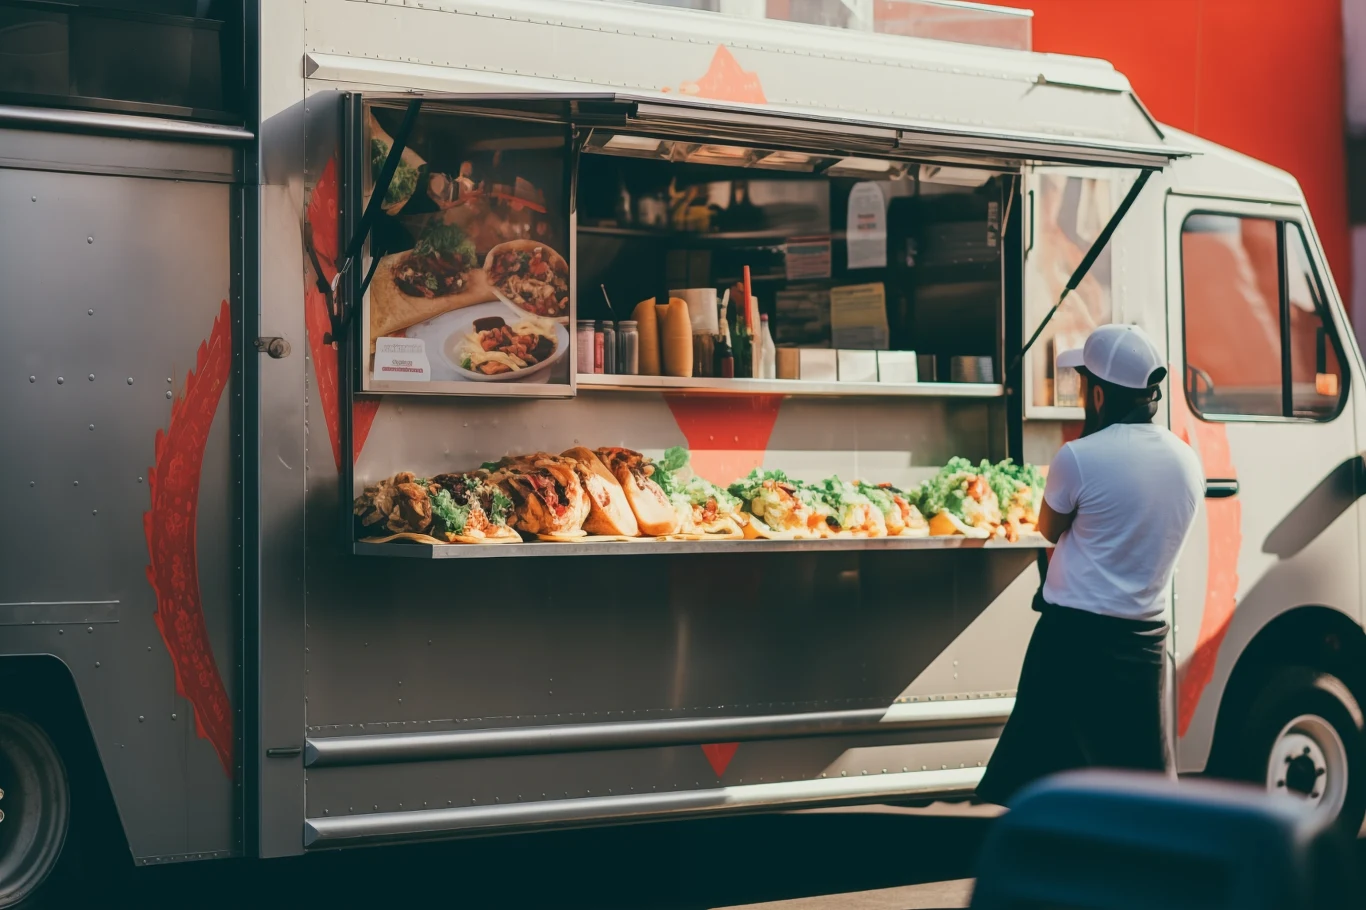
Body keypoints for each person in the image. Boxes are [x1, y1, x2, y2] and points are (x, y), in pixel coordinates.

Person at [976, 323, 1205, 807]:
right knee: (1140, 787)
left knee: (1052, 786)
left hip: (1073, 644)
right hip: (1145, 642)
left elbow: (1047, 527)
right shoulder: (1187, 460)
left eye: (1083, 385)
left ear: (1098, 395)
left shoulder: (1078, 458)